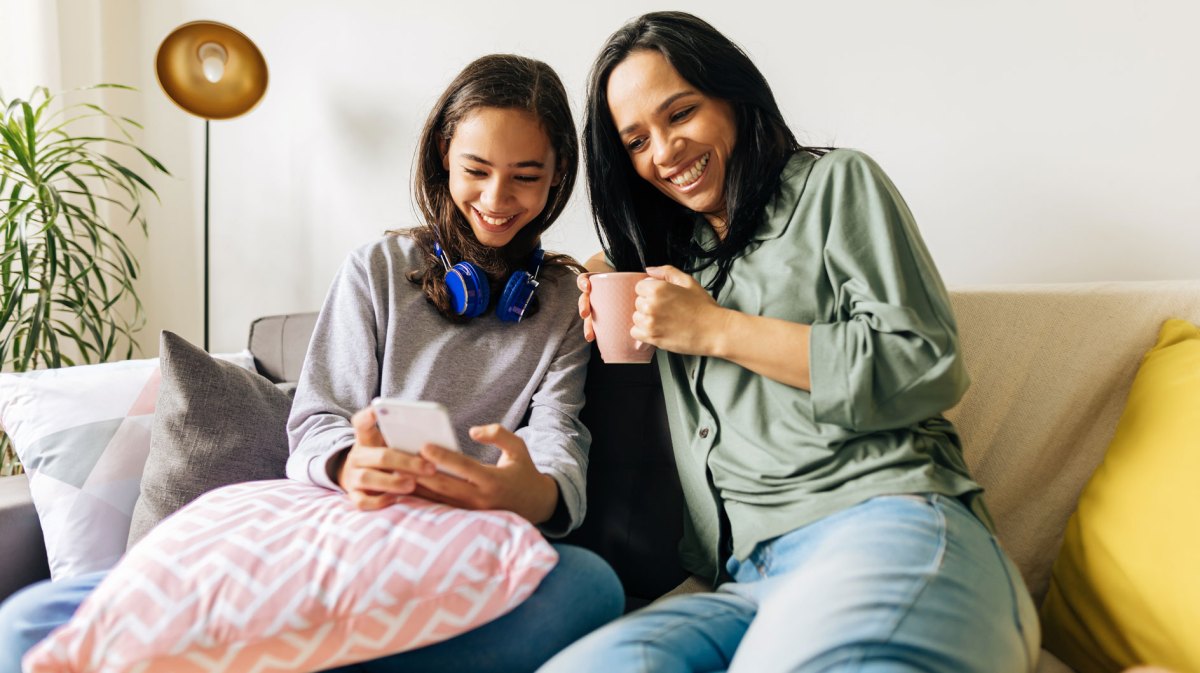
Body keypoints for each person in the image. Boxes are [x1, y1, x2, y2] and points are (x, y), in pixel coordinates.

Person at [0, 54, 622, 673]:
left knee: (592, 585)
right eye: (477, 170)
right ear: (442, 156)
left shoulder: (568, 302)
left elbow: (558, 434)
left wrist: (534, 495)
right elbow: (318, 420)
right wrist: (352, 464)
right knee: (27, 620)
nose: (496, 198)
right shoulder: (377, 267)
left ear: (558, 174)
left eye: (526, 176)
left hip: (467, 540)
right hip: (347, 520)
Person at [540, 12, 1038, 673]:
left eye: (680, 113)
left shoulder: (836, 187)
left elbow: (923, 362)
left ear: (733, 96)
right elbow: (600, 266)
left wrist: (717, 329)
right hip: (748, 580)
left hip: (882, 523)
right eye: (636, 141)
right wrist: (596, 276)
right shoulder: (676, 258)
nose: (663, 152)